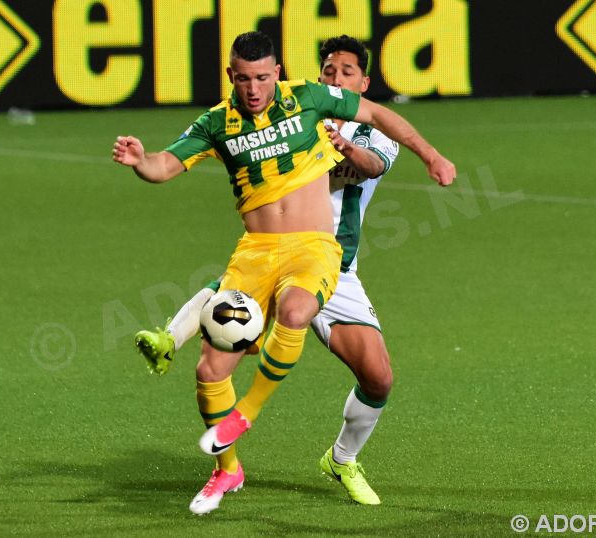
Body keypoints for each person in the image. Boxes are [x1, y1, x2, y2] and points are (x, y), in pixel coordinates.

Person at [113, 31, 455, 515]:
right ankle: (225, 463)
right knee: (212, 364)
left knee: (378, 378)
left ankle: (341, 458)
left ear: (363, 81)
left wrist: (427, 155)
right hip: (268, 253)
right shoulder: (271, 114)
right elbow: (170, 163)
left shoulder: (341, 119)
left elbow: (372, 163)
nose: (336, 78)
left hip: (332, 262)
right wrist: (142, 161)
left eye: (347, 73)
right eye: (330, 71)